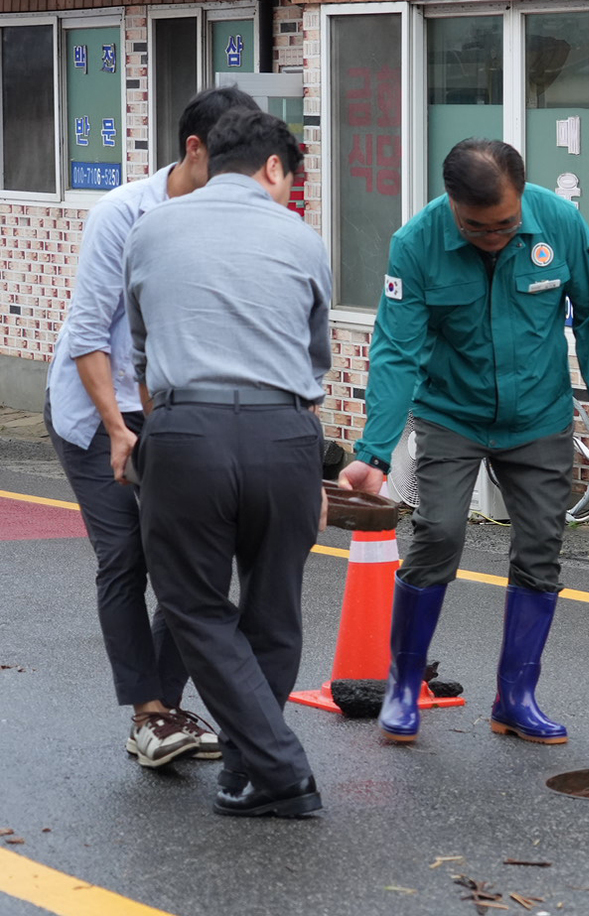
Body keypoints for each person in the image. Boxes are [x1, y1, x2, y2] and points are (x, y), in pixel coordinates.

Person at [339, 138, 589, 745]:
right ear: (451, 204)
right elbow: (396, 351)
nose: (494, 237)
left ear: (522, 196)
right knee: (440, 534)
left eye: (505, 224)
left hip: (539, 416)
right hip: (452, 412)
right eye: (477, 227)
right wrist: (372, 453)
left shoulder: (561, 222)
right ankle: (403, 684)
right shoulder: (416, 244)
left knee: (540, 551)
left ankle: (516, 697)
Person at [124, 108, 331, 817]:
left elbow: (144, 349)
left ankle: (279, 769)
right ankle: (248, 770)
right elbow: (315, 356)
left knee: (196, 608)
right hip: (286, 434)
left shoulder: (152, 227)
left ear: (208, 156)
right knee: (274, 610)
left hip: (187, 432)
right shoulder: (303, 239)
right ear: (275, 168)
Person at [44, 86, 259, 769]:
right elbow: (86, 332)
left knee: (198, 564)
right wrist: (116, 426)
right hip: (94, 408)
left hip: (176, 412)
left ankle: (161, 711)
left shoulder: (231, 218)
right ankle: (148, 713)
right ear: (195, 150)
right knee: (127, 555)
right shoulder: (124, 213)